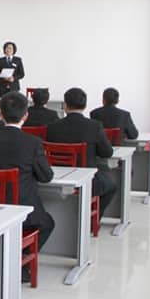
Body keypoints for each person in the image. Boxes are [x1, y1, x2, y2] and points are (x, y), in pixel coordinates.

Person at [0, 92, 55, 259]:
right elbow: (46, 177)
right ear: (25, 115)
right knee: (48, 223)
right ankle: (22, 261)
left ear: (0, 114)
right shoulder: (33, 143)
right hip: (24, 211)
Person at [47, 88, 116, 217]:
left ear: (65, 105)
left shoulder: (53, 127)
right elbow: (107, 153)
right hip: (88, 182)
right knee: (111, 185)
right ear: (84, 106)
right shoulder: (94, 126)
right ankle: (93, 219)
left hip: (58, 179)